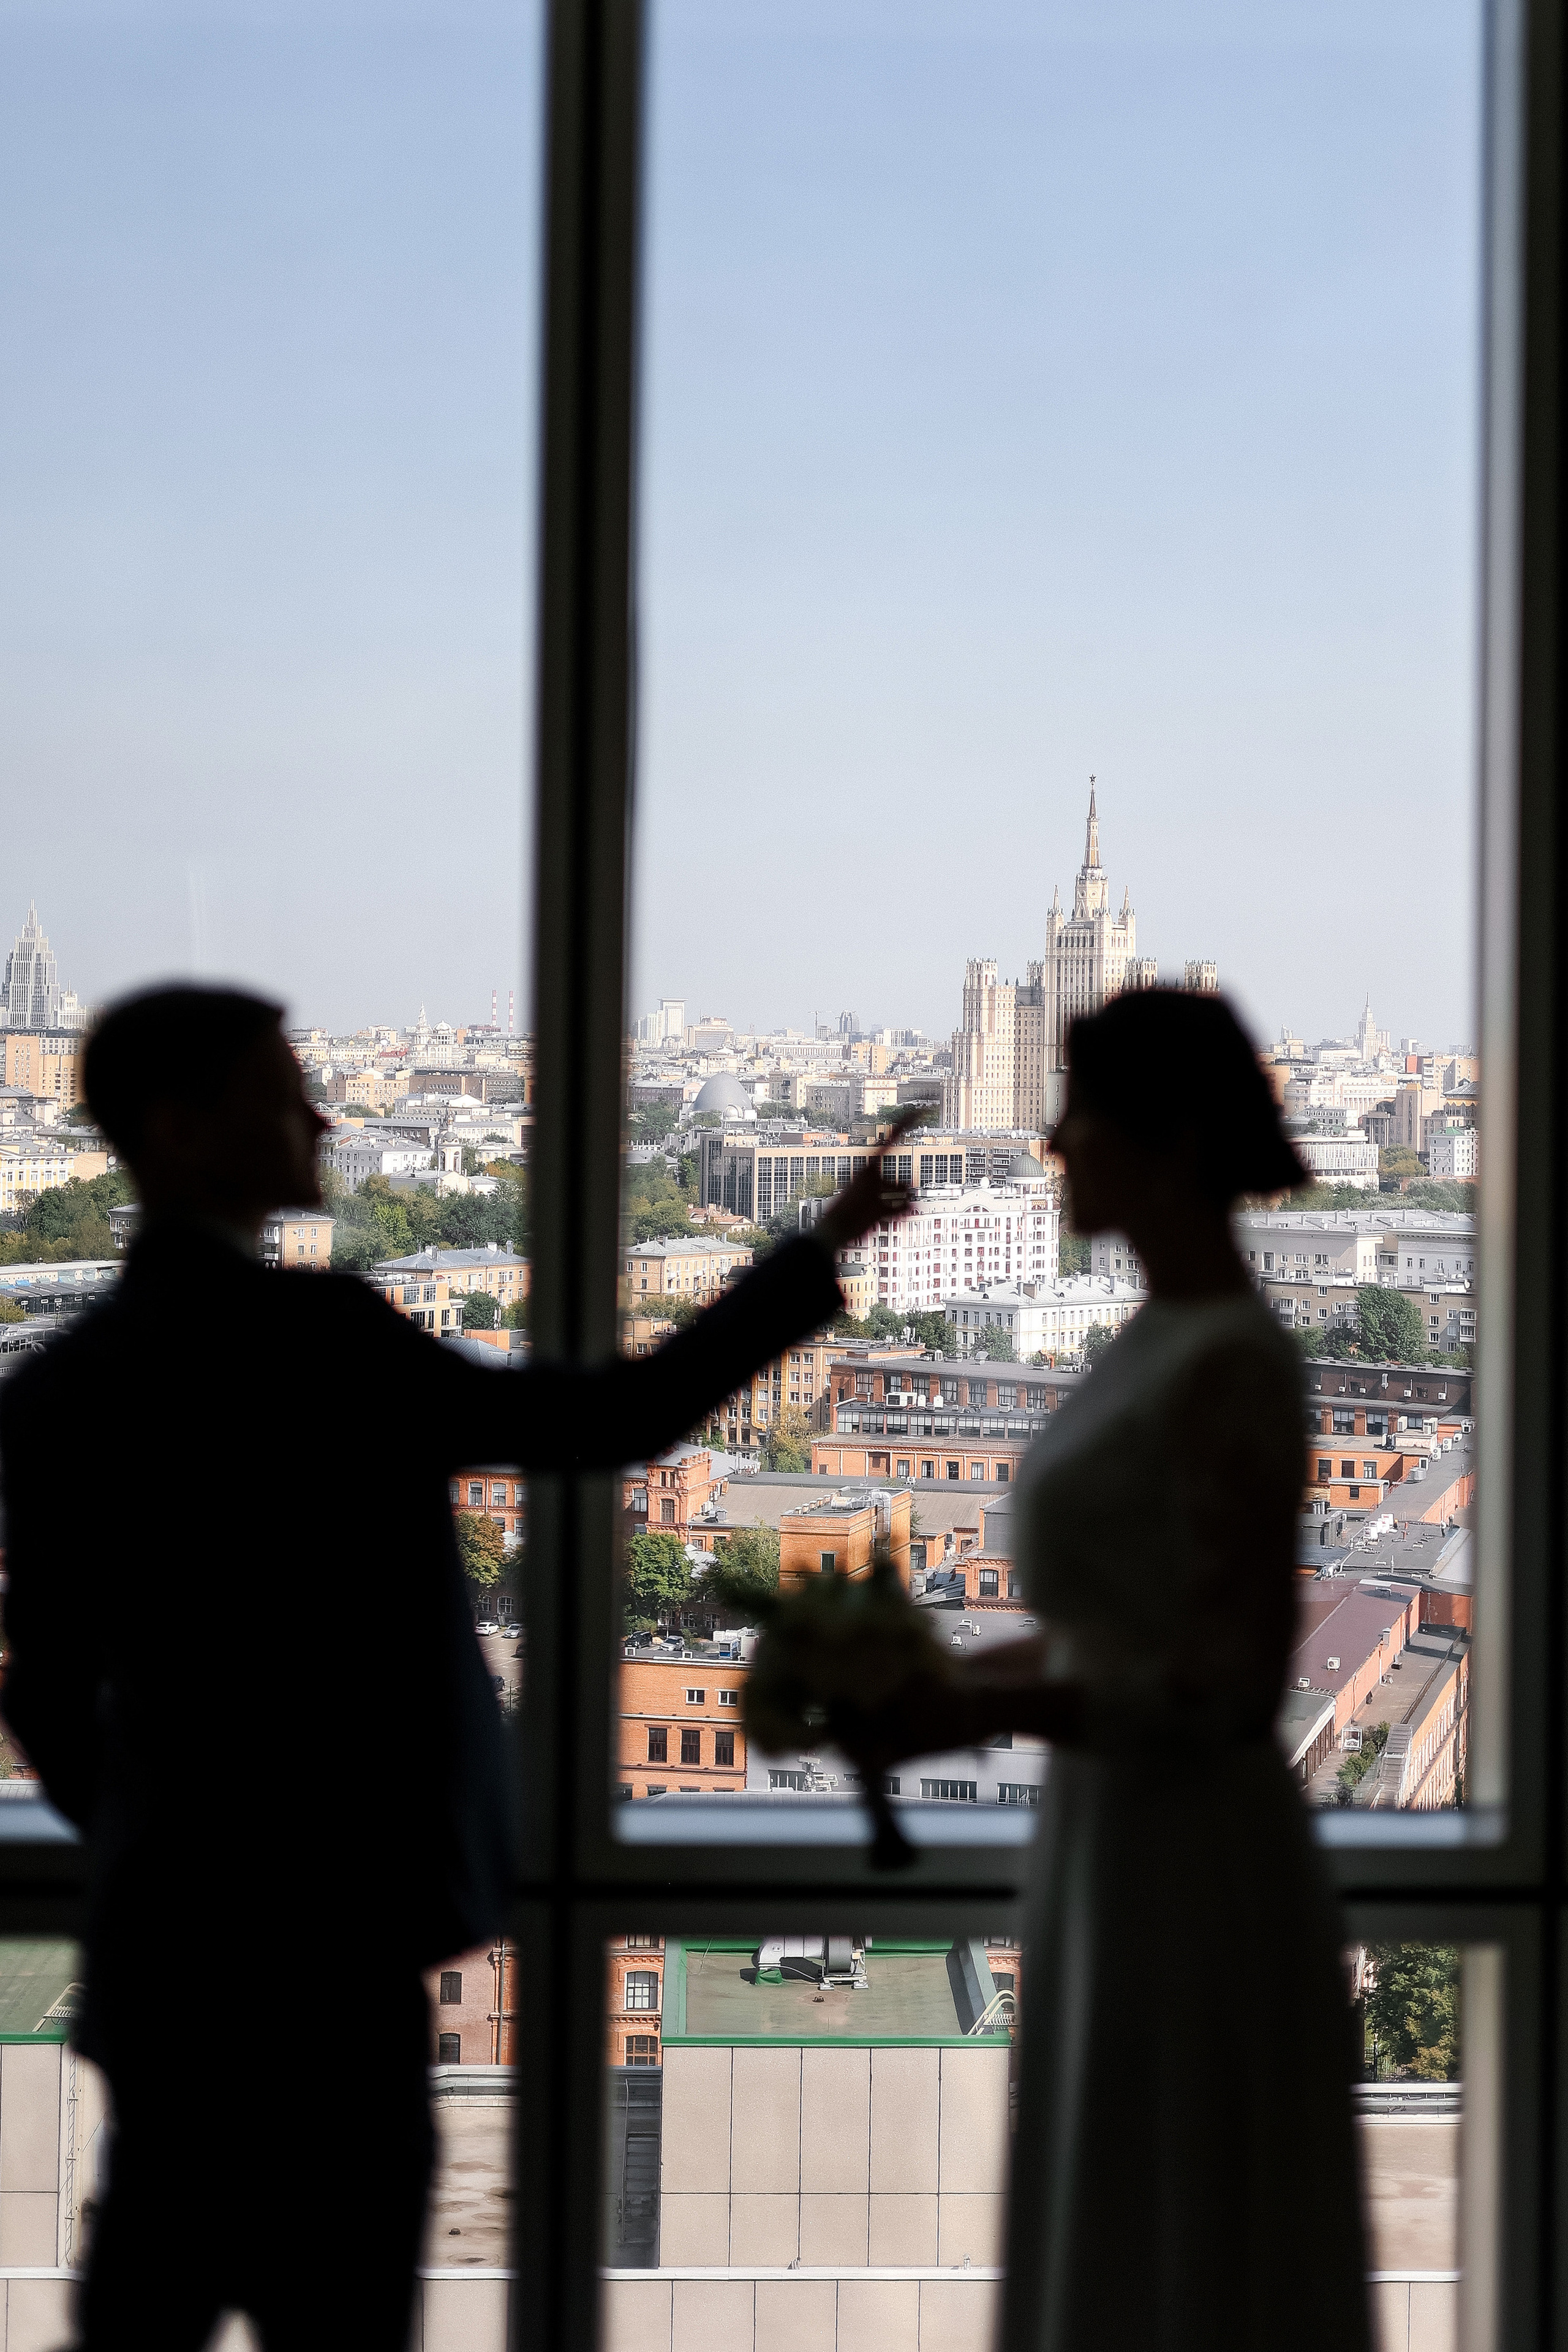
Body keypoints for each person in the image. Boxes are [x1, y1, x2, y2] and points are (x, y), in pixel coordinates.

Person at [0, 985, 912, 2352]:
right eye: (280, 1089)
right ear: (186, 1132)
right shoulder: (326, 1343)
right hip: (340, 1976)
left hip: (173, 1980)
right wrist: (820, 1247)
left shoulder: (59, 1388)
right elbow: (617, 1421)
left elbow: (44, 1700)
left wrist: (165, 1834)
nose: (319, 1111)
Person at [824, 989, 1371, 2352]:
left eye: (1077, 1110)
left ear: (1170, 1139)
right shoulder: (1155, 1335)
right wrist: (936, 1680)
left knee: (1167, 2252)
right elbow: (1111, 1632)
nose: (1053, 1140)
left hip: (1183, 1860)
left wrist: (961, 1703)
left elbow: (1230, 1683)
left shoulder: (1233, 1359)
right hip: (1116, 1840)